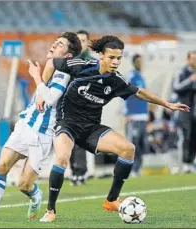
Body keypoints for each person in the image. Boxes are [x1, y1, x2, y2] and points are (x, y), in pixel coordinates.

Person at [30, 35, 189, 223]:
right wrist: (42, 91)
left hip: (92, 129)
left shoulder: (116, 81)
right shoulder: (82, 65)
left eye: (119, 58)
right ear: (102, 57)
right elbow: (51, 63)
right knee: (63, 157)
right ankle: (51, 210)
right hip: (67, 124)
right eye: (111, 57)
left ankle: (111, 200)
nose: (115, 62)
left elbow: (139, 92)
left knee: (128, 149)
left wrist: (166, 104)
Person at [0, 32, 81, 221]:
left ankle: (35, 195)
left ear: (68, 56)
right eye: (55, 41)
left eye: (60, 44)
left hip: (43, 135)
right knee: (2, 165)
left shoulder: (64, 74)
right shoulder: (50, 66)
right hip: (25, 125)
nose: (54, 44)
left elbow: (49, 99)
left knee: (24, 185)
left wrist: (36, 78)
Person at [69, 30, 97, 186]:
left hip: (85, 107)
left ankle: (80, 172)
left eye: (83, 40)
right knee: (69, 142)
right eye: (78, 40)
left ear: (88, 43)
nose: (81, 43)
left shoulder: (93, 62)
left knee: (80, 141)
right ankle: (74, 171)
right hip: (69, 107)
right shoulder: (70, 61)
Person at [125, 54, 149, 176]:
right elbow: (126, 95)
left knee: (141, 143)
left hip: (143, 115)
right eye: (138, 61)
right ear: (134, 62)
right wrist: (127, 113)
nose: (141, 63)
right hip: (133, 116)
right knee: (133, 144)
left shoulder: (142, 77)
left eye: (142, 61)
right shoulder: (131, 77)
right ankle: (132, 169)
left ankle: (138, 168)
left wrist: (147, 112)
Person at [173, 50, 196, 173]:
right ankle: (182, 164)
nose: (194, 61)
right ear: (188, 59)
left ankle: (190, 162)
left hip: (194, 111)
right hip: (184, 110)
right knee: (184, 137)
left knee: (193, 138)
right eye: (192, 58)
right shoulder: (182, 72)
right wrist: (190, 80)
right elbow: (176, 87)